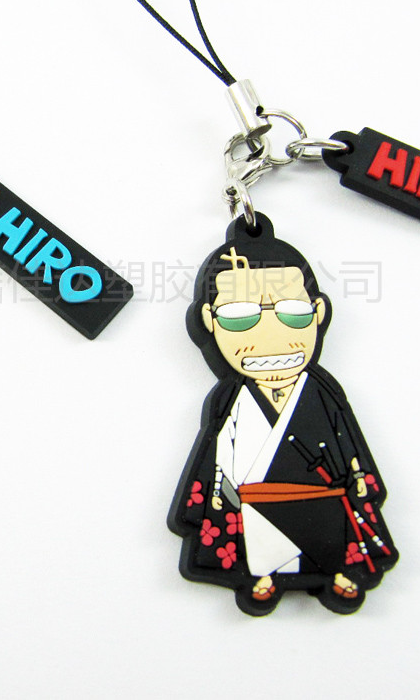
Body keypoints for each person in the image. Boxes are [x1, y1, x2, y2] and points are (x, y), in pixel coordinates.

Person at [168, 214, 397, 615]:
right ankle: (262, 575)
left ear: (318, 312)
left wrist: (359, 476)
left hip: (322, 496)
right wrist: (221, 491)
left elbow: (346, 441)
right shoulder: (229, 399)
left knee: (329, 534)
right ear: (208, 321)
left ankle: (335, 571)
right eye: (240, 317)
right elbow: (217, 455)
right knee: (261, 544)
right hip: (254, 497)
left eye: (293, 313)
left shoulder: (322, 392)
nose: (269, 334)